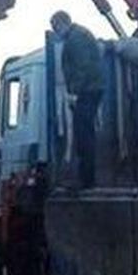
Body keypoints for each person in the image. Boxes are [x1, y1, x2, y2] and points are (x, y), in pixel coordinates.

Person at [50, 10, 103, 188]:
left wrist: (75, 93)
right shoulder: (78, 35)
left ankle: (87, 180)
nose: (55, 31)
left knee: (83, 135)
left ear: (62, 22)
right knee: (84, 134)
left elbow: (82, 67)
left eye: (55, 26)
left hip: (87, 91)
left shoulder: (76, 39)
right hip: (90, 89)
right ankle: (86, 178)